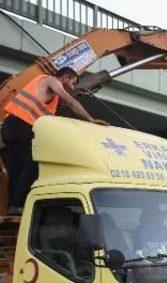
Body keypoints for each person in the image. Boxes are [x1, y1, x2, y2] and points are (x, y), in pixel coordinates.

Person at [0, 67, 108, 212]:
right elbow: (70, 101)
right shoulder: (50, 80)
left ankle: (13, 206)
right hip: (21, 125)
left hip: (10, 126)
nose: (73, 87)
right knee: (33, 165)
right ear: (65, 78)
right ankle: (19, 204)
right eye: (73, 82)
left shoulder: (49, 95)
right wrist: (90, 119)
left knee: (17, 169)